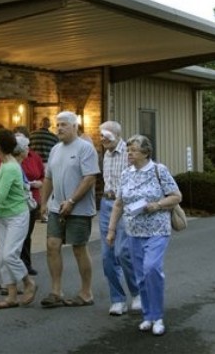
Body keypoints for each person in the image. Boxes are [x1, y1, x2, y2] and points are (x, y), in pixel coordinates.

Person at [106, 134, 182, 336]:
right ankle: (148, 316)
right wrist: (112, 230)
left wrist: (156, 205)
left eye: (134, 150)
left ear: (146, 153)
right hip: (133, 232)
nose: (129, 153)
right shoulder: (126, 174)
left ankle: (158, 317)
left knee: (151, 269)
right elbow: (119, 204)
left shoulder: (159, 170)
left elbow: (176, 196)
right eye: (128, 150)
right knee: (140, 277)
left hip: (157, 230)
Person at [39, 111, 100, 308]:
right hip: (57, 208)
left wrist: (72, 200)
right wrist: (44, 203)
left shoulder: (85, 148)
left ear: (75, 126)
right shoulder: (55, 149)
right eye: (58, 125)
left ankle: (86, 292)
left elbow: (90, 178)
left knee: (79, 248)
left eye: (64, 124)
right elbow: (48, 178)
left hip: (79, 209)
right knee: (52, 245)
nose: (59, 128)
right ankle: (56, 291)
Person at [0, 128, 37, 309]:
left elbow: (0, 196)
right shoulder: (4, 165)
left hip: (17, 217)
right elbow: (2, 200)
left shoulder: (10, 167)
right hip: (2, 216)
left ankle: (28, 283)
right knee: (3, 256)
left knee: (10, 254)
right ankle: (11, 297)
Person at [99, 121, 141, 316]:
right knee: (107, 256)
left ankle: (137, 292)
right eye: (100, 135)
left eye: (105, 135)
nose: (101, 139)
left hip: (125, 206)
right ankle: (117, 299)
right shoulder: (106, 154)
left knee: (123, 252)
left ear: (115, 134)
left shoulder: (129, 152)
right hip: (107, 205)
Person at [13, 131, 45, 276]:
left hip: (32, 200)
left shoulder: (34, 157)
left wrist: (40, 183)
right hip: (17, 201)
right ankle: (13, 266)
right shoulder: (10, 161)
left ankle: (26, 264)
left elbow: (43, 176)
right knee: (16, 235)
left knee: (27, 234)